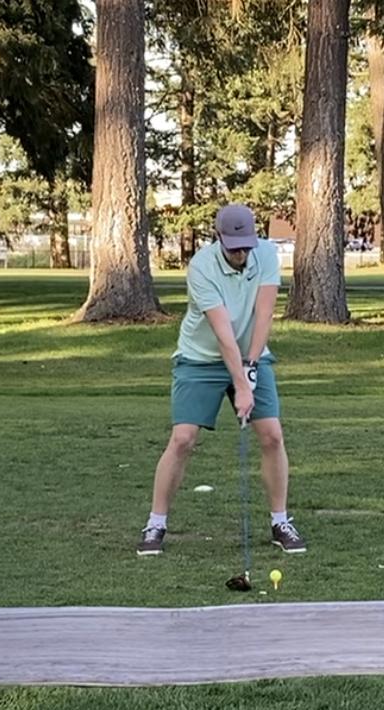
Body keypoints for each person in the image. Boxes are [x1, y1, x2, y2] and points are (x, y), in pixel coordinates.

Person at [137, 203, 307, 556]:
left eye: (246, 245)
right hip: (200, 359)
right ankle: (155, 524)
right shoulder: (201, 267)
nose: (242, 253)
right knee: (183, 438)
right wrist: (242, 386)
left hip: (250, 355)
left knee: (273, 435)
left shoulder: (266, 255)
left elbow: (263, 315)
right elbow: (223, 332)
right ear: (219, 239)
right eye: (235, 247)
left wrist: (251, 367)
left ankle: (280, 521)